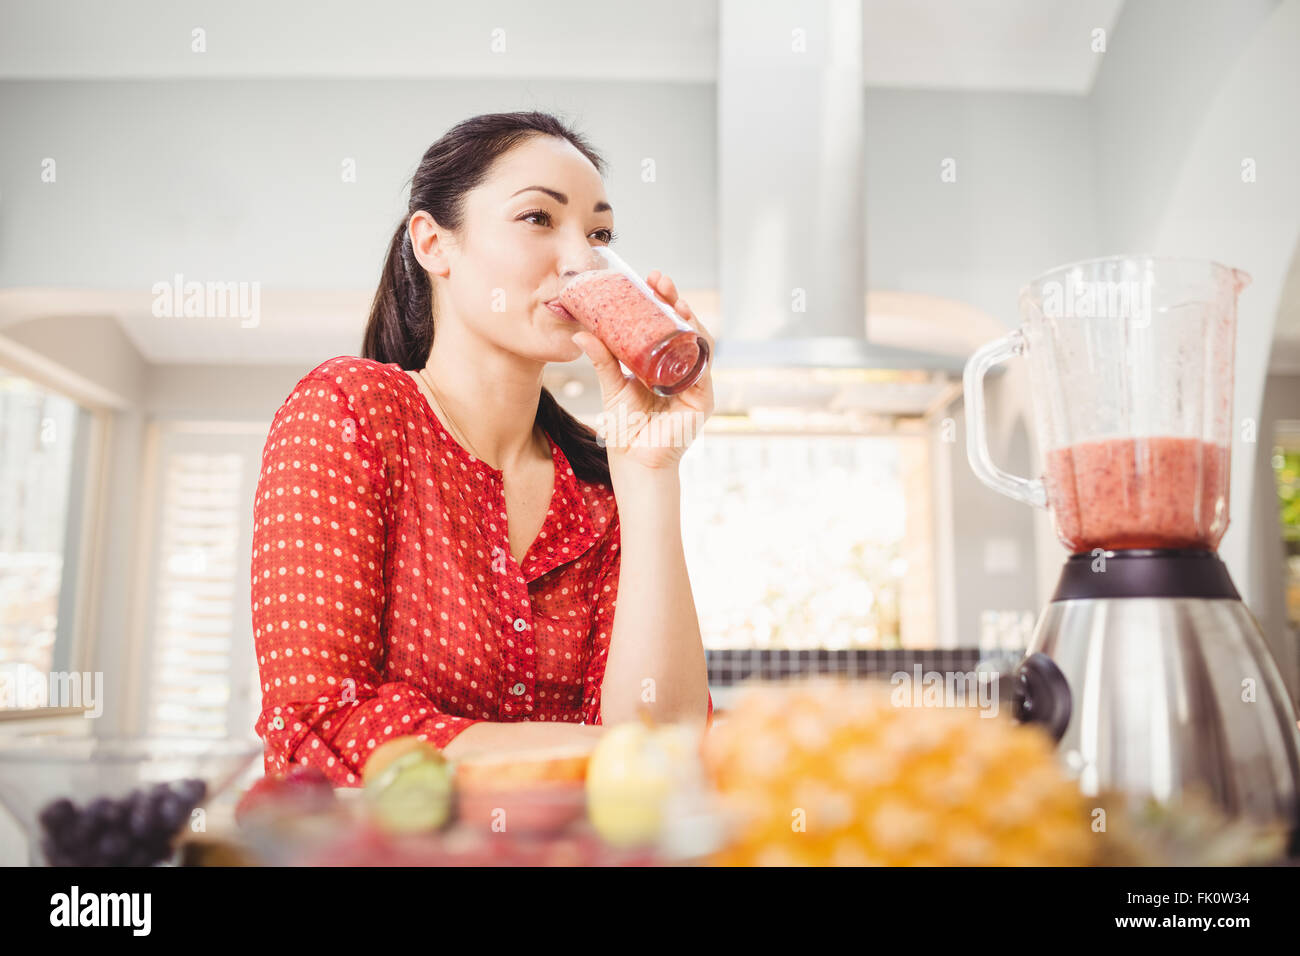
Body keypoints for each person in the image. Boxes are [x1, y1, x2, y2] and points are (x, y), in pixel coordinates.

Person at [250, 111, 713, 786]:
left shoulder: (600, 486)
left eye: (600, 233)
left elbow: (665, 746)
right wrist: (612, 756)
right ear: (434, 244)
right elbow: (318, 730)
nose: (584, 259)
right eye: (537, 218)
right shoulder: (352, 410)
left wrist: (650, 474)